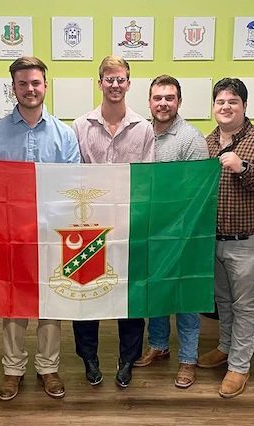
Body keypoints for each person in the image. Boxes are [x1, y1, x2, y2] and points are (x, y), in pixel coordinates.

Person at [0, 56, 80, 401]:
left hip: (52, 234)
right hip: (11, 234)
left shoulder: (65, 134)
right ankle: (12, 369)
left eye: (35, 82)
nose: (30, 89)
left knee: (51, 303)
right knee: (14, 303)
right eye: (22, 84)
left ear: (45, 86)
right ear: (14, 88)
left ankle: (48, 366)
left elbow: (71, 186)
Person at [199, 78, 254, 398]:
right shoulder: (206, 143)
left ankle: (238, 366)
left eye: (233, 102)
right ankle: (224, 347)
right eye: (220, 102)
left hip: (248, 240)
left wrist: (244, 168)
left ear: (245, 106)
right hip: (214, 239)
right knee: (223, 301)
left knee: (247, 305)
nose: (226, 107)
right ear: (213, 107)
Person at [71, 55, 154, 388]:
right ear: (100, 82)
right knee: (85, 294)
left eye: (121, 79)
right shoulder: (80, 125)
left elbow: (147, 179)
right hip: (88, 226)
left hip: (129, 225)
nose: (115, 85)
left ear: (129, 83)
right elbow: (73, 175)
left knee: (130, 297)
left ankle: (126, 360)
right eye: (109, 79)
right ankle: (89, 359)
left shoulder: (143, 128)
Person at [133, 74, 207, 389]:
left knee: (186, 298)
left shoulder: (191, 138)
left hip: (183, 232)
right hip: (149, 231)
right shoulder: (139, 134)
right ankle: (159, 344)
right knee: (156, 293)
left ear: (179, 101)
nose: (163, 103)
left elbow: (197, 191)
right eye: (158, 97)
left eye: (170, 97)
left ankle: (188, 359)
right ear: (149, 101)